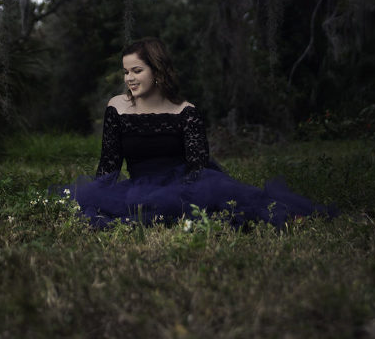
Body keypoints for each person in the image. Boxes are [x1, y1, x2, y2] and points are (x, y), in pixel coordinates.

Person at [54, 37, 338, 229]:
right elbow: (109, 164)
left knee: (232, 207)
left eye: (137, 70)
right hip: (138, 185)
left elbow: (198, 168)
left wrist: (183, 198)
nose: (129, 78)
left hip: (185, 184)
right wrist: (97, 195)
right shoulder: (117, 107)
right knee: (122, 212)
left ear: (157, 70)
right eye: (126, 71)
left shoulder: (185, 111)